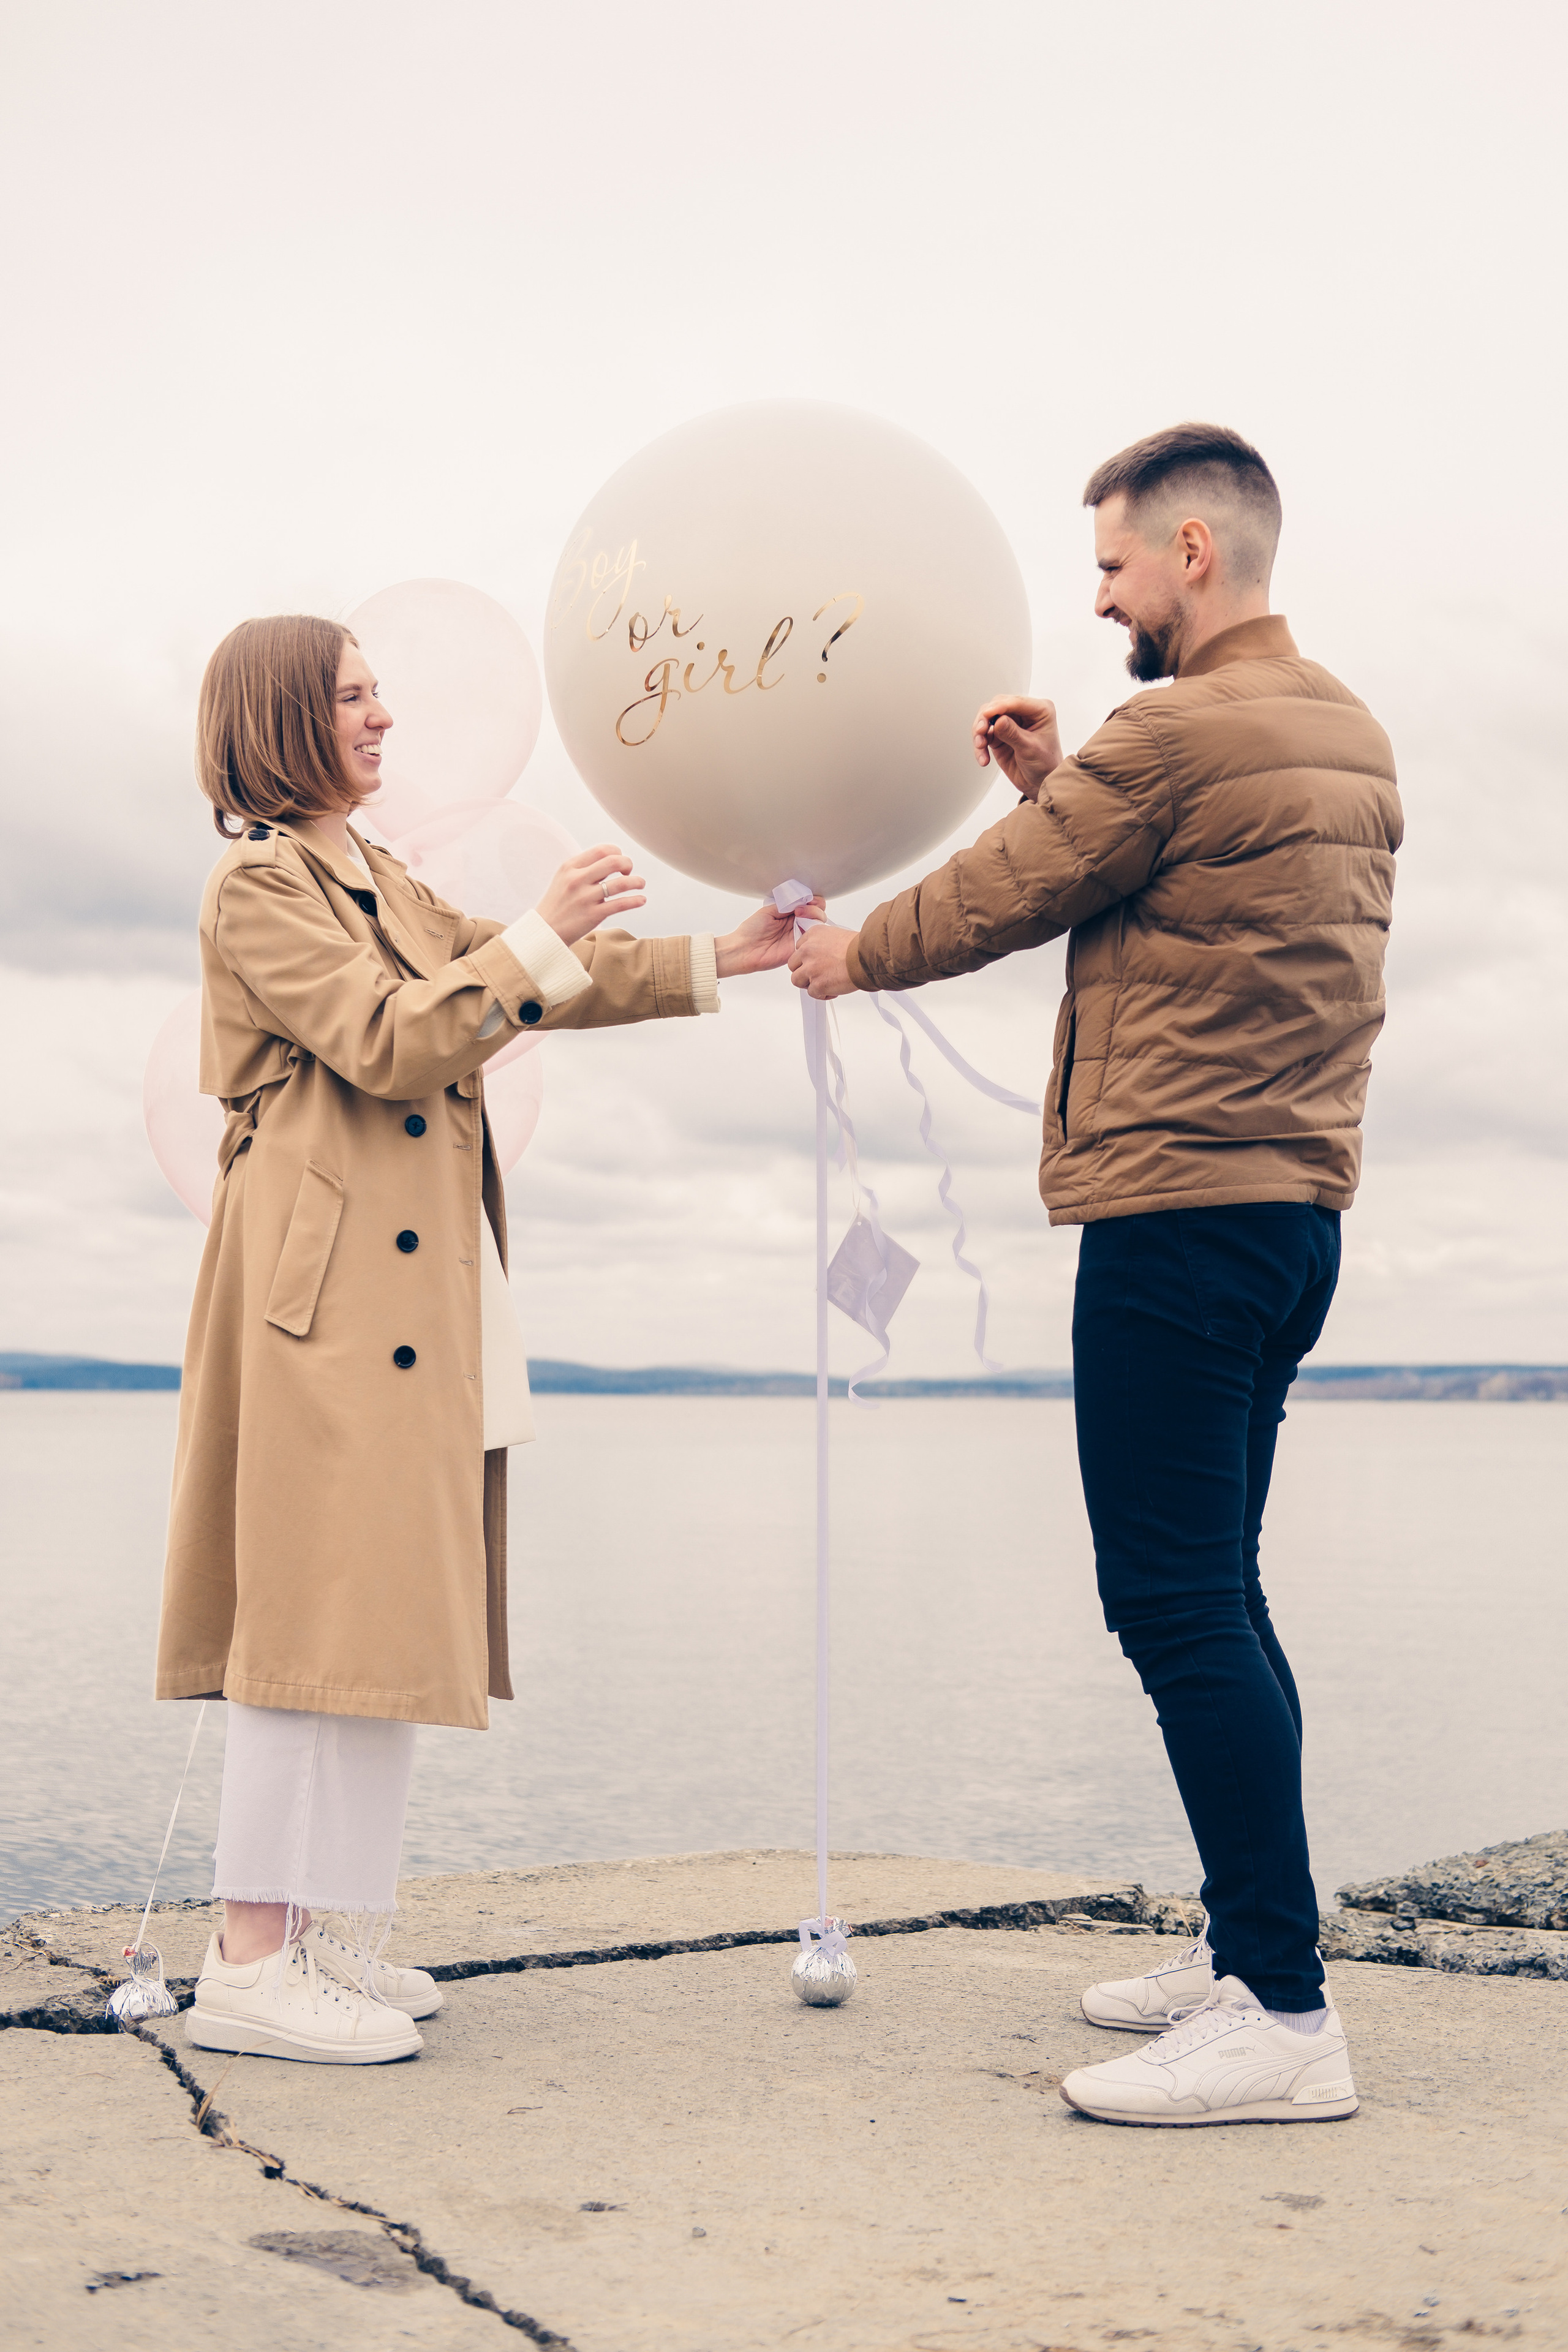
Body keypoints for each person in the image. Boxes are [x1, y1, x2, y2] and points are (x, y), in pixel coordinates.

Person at [791, 423, 1401, 2127]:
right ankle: (1250, 1949)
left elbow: (1016, 890)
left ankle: (1281, 2016)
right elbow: (1174, 883)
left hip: (1176, 1217)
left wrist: (852, 954)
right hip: (1289, 1223)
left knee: (1176, 1602)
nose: (1105, 598)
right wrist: (1071, 783)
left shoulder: (1181, 728)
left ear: (1194, 553)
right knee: (1227, 1589)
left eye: (1118, 568)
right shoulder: (1340, 727)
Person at [158, 612, 816, 2063]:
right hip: (320, 1302)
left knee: (376, 1609)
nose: (381, 720)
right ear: (282, 722)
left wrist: (727, 955)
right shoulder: (260, 888)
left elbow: (533, 988)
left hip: (397, 1302)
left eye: (381, 693)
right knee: (297, 1625)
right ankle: (248, 1960)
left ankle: (328, 1931)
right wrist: (543, 929)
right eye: (351, 699)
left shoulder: (374, 873)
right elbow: (395, 1036)